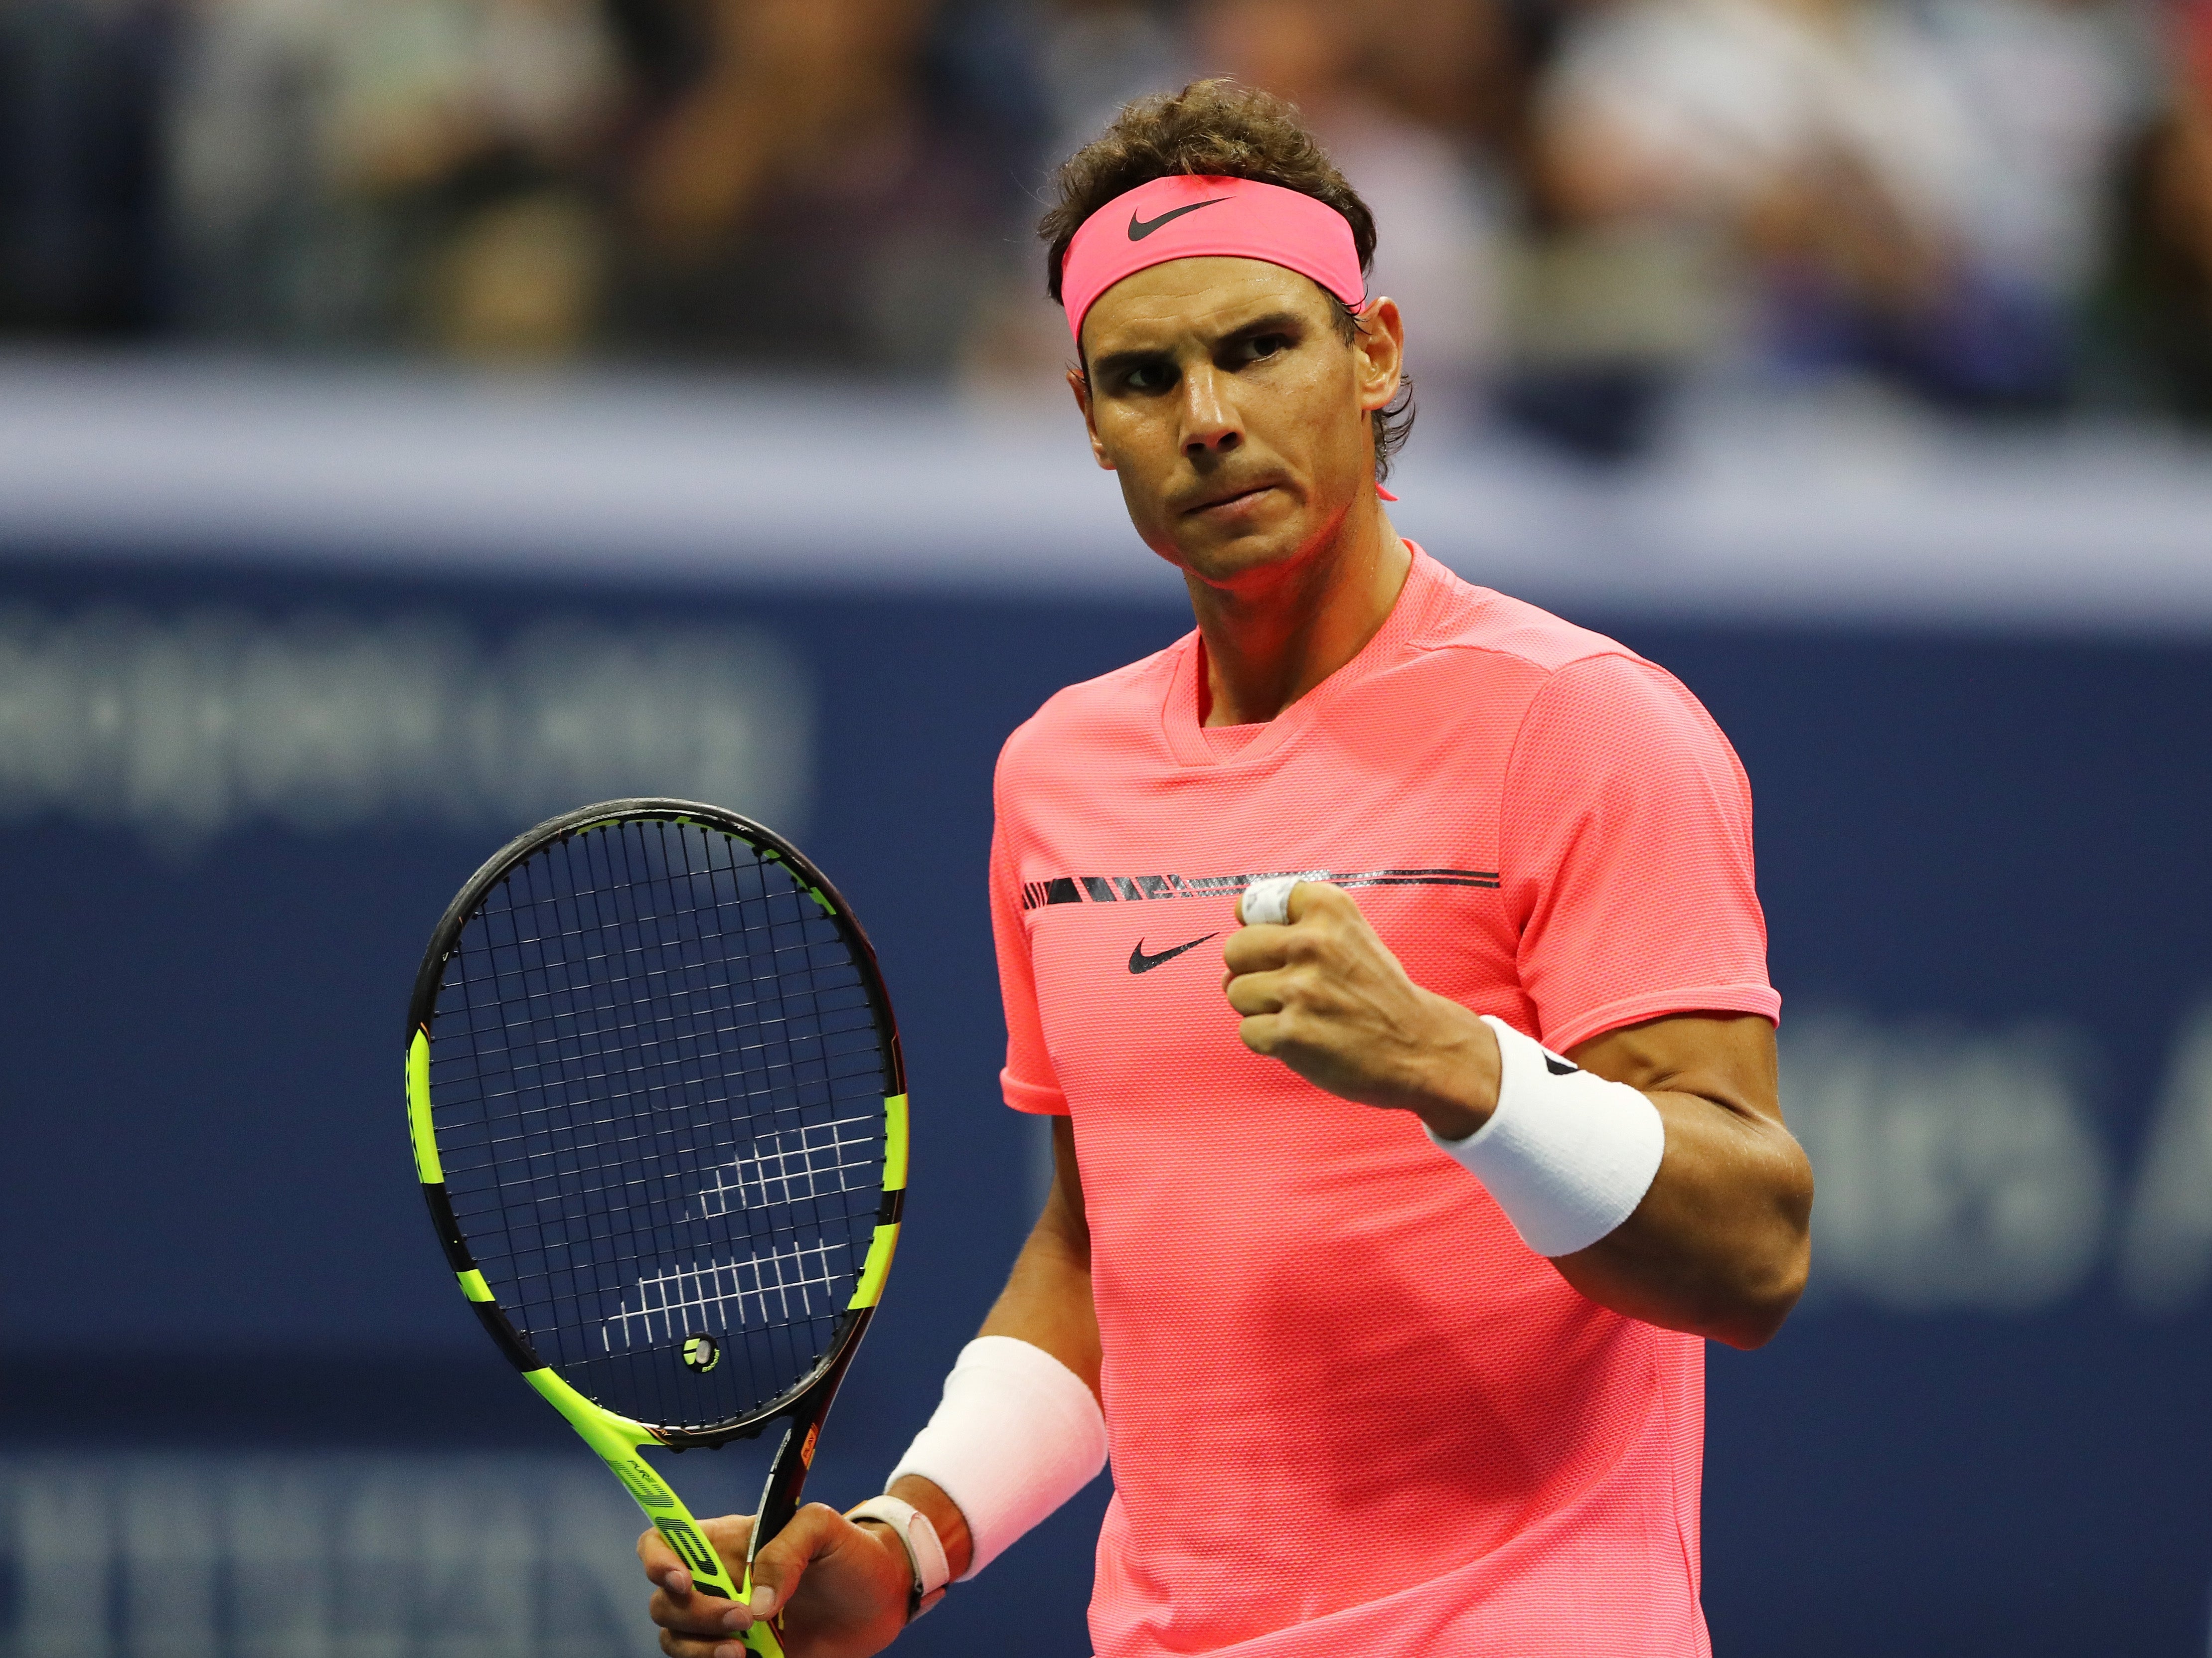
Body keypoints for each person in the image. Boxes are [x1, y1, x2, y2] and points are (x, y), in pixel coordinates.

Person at [640, 77, 1813, 1658]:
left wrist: (1453, 1069)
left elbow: (1751, 1254)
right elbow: (1096, 1254)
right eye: (1145, 375)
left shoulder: (1582, 727)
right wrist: (901, 1547)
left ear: (1375, 352)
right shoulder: (1058, 775)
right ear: (1091, 420)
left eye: (1260, 347)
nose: (1206, 416)